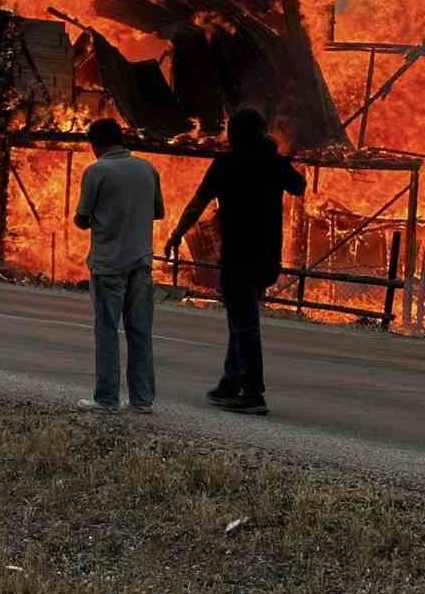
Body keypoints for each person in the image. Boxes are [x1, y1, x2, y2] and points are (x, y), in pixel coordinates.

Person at [166, 108, 305, 416]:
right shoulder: (274, 163)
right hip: (267, 256)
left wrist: (177, 234)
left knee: (244, 324)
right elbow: (299, 186)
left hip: (238, 257)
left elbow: (197, 205)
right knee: (241, 319)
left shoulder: (226, 164)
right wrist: (274, 154)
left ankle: (253, 393)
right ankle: (230, 382)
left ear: (236, 135)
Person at [73, 117, 164, 413]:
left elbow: (82, 219)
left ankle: (106, 398)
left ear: (95, 144)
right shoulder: (147, 168)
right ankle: (141, 400)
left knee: (107, 331)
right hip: (141, 263)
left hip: (108, 264)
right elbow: (158, 212)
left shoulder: (96, 171)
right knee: (140, 332)